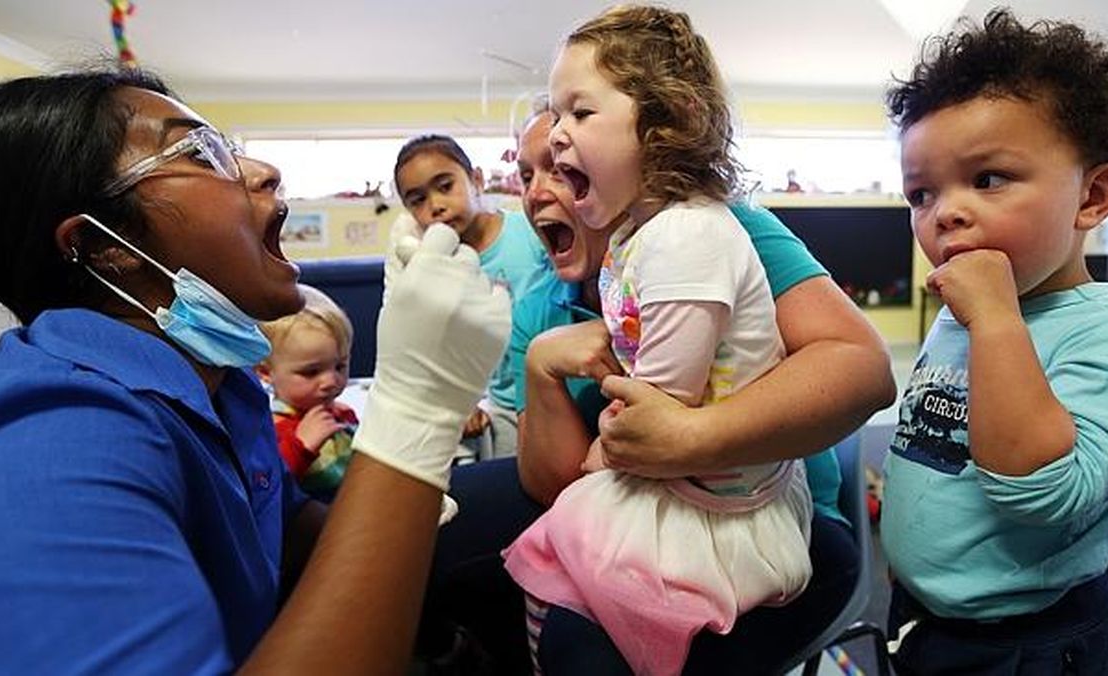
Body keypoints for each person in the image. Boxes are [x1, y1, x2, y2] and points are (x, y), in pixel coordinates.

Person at [0, 68, 510, 674]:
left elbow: (291, 537)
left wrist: (400, 493)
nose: (263, 171)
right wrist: (415, 410)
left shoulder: (224, 385)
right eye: (202, 153)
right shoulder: (49, 441)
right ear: (107, 246)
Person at [500, 7, 875, 674]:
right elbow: (554, 476)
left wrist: (684, 437)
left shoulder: (700, 232)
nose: (542, 182)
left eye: (575, 119)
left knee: (577, 636)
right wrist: (541, 367)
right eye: (524, 171)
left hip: (735, 512)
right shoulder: (574, 279)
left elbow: (864, 370)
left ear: (664, 126)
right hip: (669, 497)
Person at [881, 10, 1108, 674]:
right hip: (923, 620)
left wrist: (995, 323)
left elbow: (1047, 497)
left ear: (1092, 197)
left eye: (988, 178)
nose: (945, 212)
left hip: (1031, 643)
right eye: (921, 193)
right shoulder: (964, 314)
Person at [394, 134, 549, 459]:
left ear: (476, 179)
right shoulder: (434, 268)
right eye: (417, 200)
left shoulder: (531, 231)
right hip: (501, 407)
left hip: (552, 391)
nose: (435, 205)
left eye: (445, 186)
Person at [257, 283, 357, 500]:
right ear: (265, 372)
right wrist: (301, 447)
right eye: (311, 372)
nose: (331, 381)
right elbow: (267, 489)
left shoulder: (342, 414)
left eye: (340, 366)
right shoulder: (270, 428)